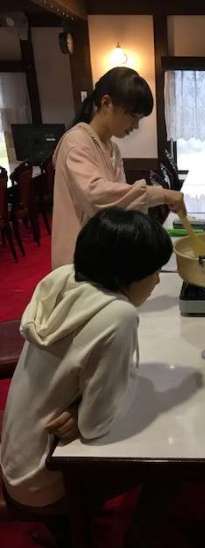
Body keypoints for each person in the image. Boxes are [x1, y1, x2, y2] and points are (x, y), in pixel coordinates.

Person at [1, 207, 173, 508]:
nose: (158, 281)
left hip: (15, 459)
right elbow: (96, 425)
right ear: (126, 275)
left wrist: (79, 408)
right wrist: (86, 413)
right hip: (45, 476)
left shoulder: (64, 278)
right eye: (153, 271)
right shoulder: (118, 316)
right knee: (168, 452)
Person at [51, 66, 185, 269]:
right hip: (78, 258)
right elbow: (96, 196)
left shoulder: (112, 149)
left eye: (139, 119)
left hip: (103, 250)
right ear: (106, 103)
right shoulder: (76, 142)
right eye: (133, 116)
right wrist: (162, 194)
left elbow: (119, 206)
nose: (136, 125)